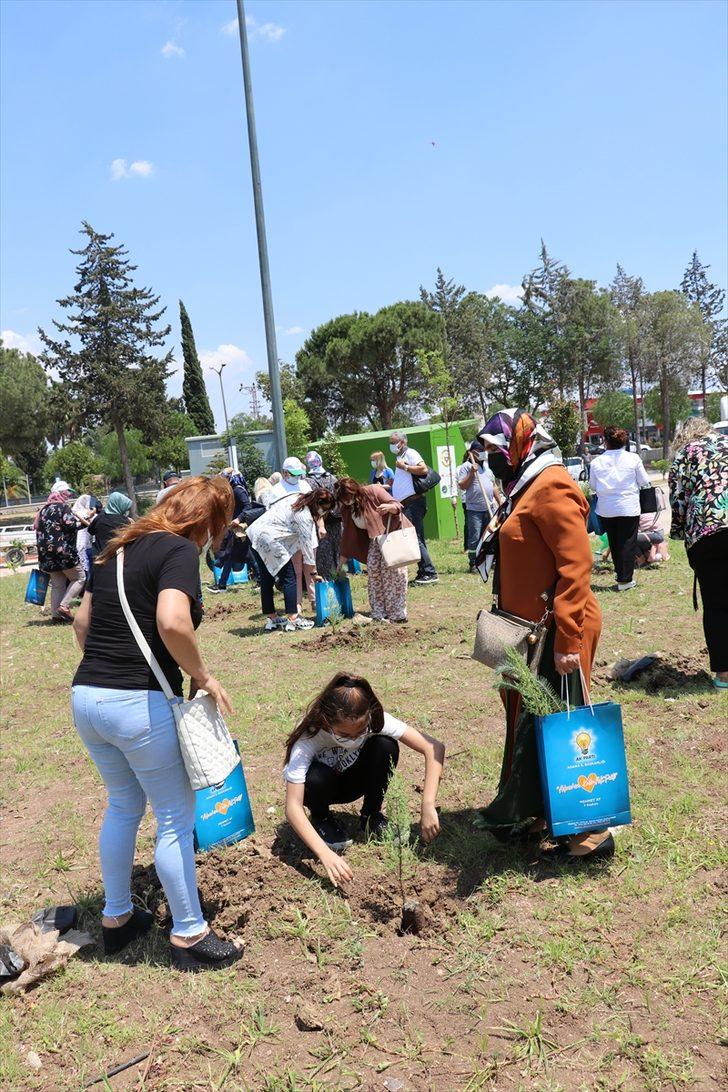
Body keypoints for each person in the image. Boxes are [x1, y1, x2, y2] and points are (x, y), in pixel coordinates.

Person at [71, 476, 243, 972]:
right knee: (174, 815)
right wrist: (203, 676)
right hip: (135, 706)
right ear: (208, 522)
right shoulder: (177, 552)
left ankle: (117, 918)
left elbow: (83, 625)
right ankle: (189, 933)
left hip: (86, 697)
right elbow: (172, 621)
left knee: (123, 805)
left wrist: (110, 671)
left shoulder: (115, 548)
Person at [475, 409, 611, 862]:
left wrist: (568, 641)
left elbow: (576, 565)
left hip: (557, 632)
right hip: (529, 633)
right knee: (530, 721)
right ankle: (535, 811)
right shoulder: (524, 484)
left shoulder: (550, 484)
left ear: (520, 444)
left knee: (562, 722)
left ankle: (589, 834)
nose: (493, 460)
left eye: (497, 451)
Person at [283, 673, 445, 882]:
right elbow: (292, 807)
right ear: (326, 721)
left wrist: (428, 804)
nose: (355, 738)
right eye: (344, 734)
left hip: (354, 781)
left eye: (361, 731)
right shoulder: (309, 735)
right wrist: (324, 854)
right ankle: (322, 819)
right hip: (323, 787)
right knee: (315, 776)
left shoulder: (375, 720)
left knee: (385, 745)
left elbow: (434, 748)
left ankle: (371, 815)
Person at [669, 416, 728, 689]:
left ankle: (725, 675)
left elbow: (678, 501)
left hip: (707, 534)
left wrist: (680, 533)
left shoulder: (685, 454)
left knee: (716, 605)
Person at [246, 489, 336, 632]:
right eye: (324, 509)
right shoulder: (305, 517)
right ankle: (293, 618)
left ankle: (272, 618)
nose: (323, 513)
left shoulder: (297, 498)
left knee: (266, 578)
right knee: (290, 577)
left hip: (255, 533)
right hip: (270, 539)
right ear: (317, 503)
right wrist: (313, 573)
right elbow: (307, 548)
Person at [336, 477, 409, 623]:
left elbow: (397, 505)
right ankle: (379, 612)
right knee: (374, 572)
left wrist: (389, 508)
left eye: (349, 497)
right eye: (344, 499)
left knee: (393, 575)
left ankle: (397, 613)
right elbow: (348, 535)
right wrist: (341, 564)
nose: (347, 501)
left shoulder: (373, 491)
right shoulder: (347, 509)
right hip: (374, 542)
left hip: (391, 536)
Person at [588, 426, 650, 591]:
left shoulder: (596, 462)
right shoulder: (633, 458)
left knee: (615, 543)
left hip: (606, 509)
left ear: (604, 441)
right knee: (627, 543)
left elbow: (592, 486)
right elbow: (644, 481)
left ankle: (621, 577)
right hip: (629, 507)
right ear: (624, 441)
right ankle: (625, 580)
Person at [389, 430, 438, 585]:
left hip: (413, 503)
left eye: (393, 442)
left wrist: (405, 467)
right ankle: (424, 571)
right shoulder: (400, 457)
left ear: (402, 442)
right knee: (416, 537)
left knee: (414, 537)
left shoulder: (411, 454)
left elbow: (423, 469)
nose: (391, 445)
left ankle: (429, 572)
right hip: (408, 503)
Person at [34, 481, 86, 623]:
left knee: (58, 584)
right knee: (80, 578)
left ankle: (56, 617)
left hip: (46, 556)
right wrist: (86, 522)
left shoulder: (43, 510)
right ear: (60, 493)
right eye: (66, 492)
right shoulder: (63, 507)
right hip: (63, 554)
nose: (69, 495)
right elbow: (70, 525)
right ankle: (64, 606)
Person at [456, 440, 501, 572]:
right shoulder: (466, 466)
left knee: (488, 535)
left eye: (484, 451)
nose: (483, 453)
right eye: (480, 451)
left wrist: (499, 502)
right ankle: (473, 563)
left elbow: (493, 485)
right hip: (474, 509)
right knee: (474, 537)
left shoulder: (487, 467)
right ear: (473, 453)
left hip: (489, 507)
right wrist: (471, 473)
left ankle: (488, 561)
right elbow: (462, 486)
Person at [210, 470, 252, 593]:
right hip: (234, 528)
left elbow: (248, 506)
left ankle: (222, 583)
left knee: (246, 555)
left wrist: (238, 519)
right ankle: (222, 584)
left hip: (240, 528)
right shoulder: (232, 490)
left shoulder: (238, 490)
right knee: (232, 554)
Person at [305, 450, 342, 580]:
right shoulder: (333, 478)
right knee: (337, 550)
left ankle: (326, 579)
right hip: (337, 519)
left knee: (323, 552)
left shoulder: (307, 481)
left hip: (320, 521)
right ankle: (338, 577)